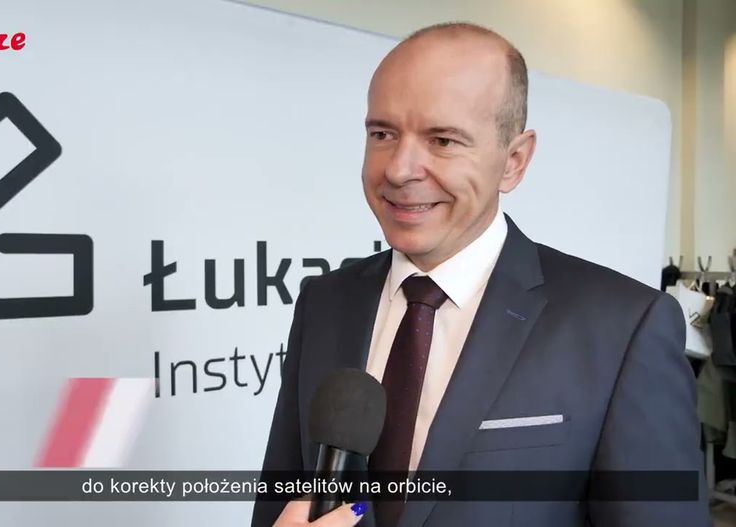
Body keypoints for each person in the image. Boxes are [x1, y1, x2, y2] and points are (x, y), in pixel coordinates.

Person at [251, 22, 710, 527]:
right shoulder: (325, 302)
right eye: (382, 133)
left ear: (514, 161)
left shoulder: (623, 327)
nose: (399, 169)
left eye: (443, 140)